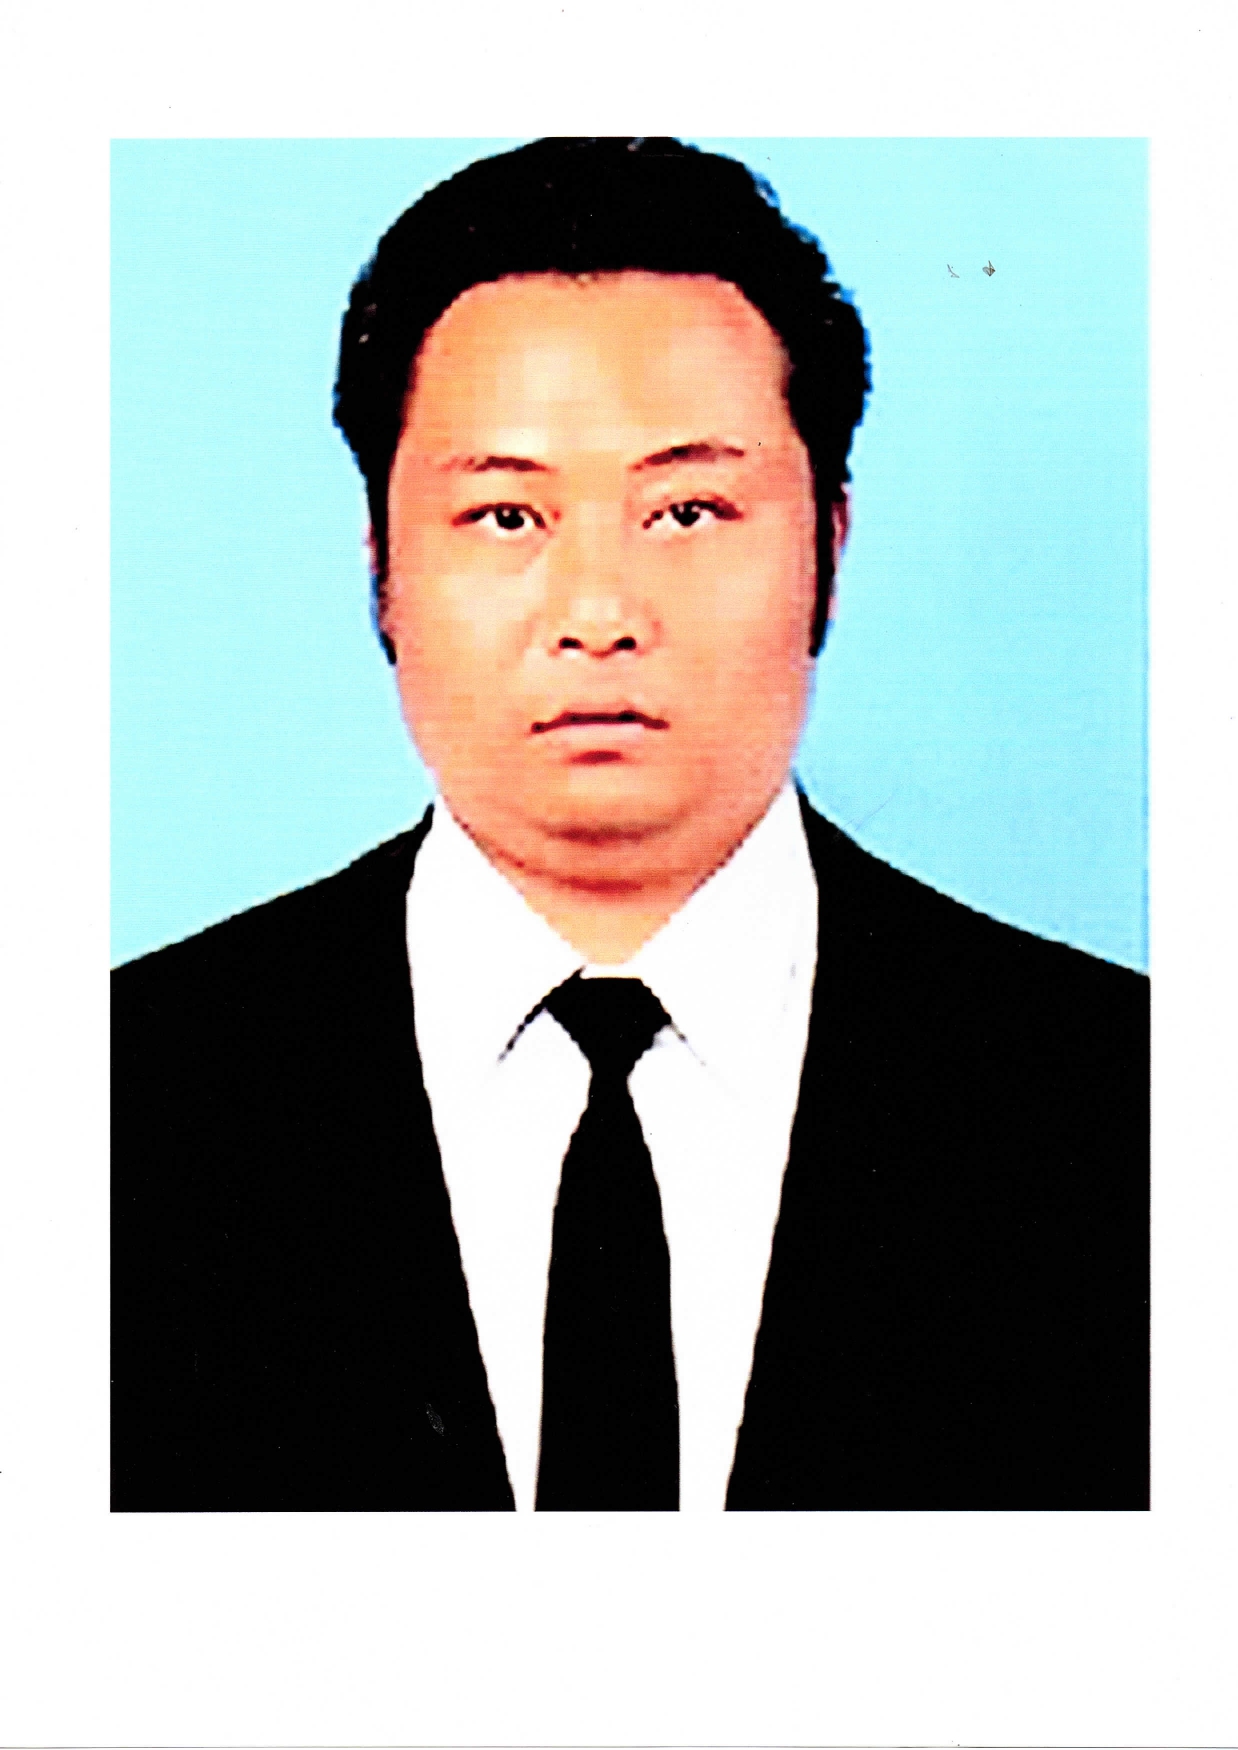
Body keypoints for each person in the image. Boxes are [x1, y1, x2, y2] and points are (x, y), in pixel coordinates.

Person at [111, 137, 1149, 1513]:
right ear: (381, 571)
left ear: (830, 548)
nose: (597, 613)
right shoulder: (106, 1101)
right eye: (505, 514)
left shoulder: (1139, 1107)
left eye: (687, 510)